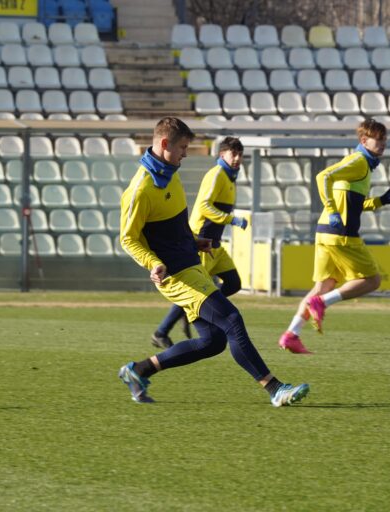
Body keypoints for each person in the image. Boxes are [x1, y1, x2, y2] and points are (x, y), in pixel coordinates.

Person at [118, 117, 310, 406]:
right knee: (232, 319)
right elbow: (127, 238)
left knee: (213, 342)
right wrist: (152, 262)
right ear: (165, 144)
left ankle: (139, 370)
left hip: (191, 264)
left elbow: (173, 225)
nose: (185, 153)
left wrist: (193, 240)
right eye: (183, 147)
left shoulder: (170, 174)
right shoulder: (141, 188)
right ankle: (275, 389)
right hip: (176, 275)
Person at [278, 119, 390, 354]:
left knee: (323, 285)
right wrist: (332, 210)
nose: (383, 144)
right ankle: (322, 304)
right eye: (378, 139)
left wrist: (380, 201)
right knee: (372, 280)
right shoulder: (359, 161)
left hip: (325, 233)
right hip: (341, 234)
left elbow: (353, 203)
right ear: (364, 140)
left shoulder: (360, 164)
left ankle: (291, 334)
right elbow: (322, 176)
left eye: (385, 139)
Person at [150, 136, 248, 349]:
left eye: (240, 154)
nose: (238, 158)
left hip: (216, 244)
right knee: (196, 290)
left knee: (233, 283)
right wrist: (231, 219)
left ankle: (198, 309)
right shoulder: (217, 174)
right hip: (201, 241)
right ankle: (161, 332)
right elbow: (204, 206)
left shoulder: (230, 179)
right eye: (234, 154)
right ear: (222, 155)